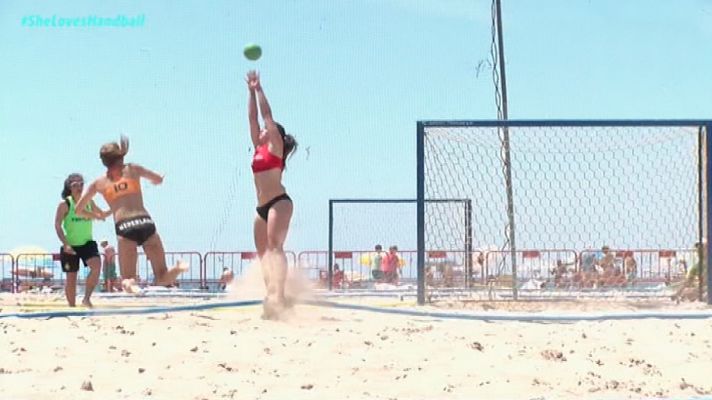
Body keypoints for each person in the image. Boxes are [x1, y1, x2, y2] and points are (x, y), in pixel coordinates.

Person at [75, 135, 188, 294]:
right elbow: (157, 179)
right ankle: (178, 268)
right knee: (162, 276)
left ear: (104, 161)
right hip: (145, 221)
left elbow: (78, 209)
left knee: (127, 278)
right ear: (120, 155)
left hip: (124, 226)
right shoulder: (133, 169)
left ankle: (131, 285)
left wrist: (98, 215)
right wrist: (159, 179)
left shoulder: (98, 183)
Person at [246, 70, 298, 319]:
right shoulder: (258, 147)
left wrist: (259, 89)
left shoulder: (274, 147)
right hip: (261, 207)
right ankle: (271, 295)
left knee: (276, 247)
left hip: (279, 202)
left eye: (266, 130)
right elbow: (253, 119)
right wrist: (248, 92)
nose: (261, 131)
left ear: (274, 133)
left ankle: (280, 293)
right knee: (263, 254)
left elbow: (266, 116)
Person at [53, 173, 108, 307]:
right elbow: (57, 225)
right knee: (71, 278)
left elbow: (102, 215)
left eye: (81, 184)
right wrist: (65, 244)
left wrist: (115, 206)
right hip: (70, 245)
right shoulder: (65, 204)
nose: (79, 187)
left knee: (96, 267)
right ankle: (72, 306)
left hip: (87, 243)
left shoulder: (89, 202)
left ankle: (86, 298)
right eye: (75, 185)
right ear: (69, 187)